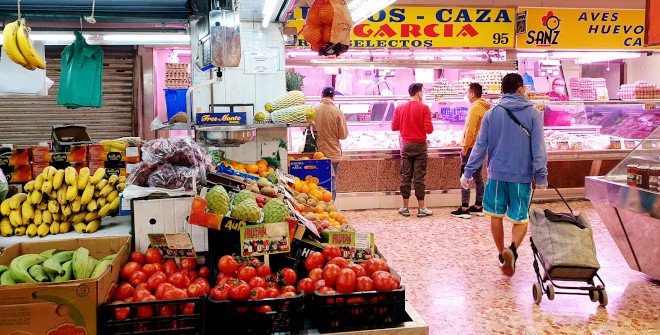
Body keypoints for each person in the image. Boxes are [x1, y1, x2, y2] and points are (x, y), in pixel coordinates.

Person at [460, 73, 548, 277]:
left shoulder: (492, 113)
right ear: (520, 89)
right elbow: (539, 148)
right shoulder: (533, 113)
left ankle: (501, 254)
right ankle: (513, 250)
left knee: (496, 215)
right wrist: (541, 176)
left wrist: (468, 172)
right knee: (520, 218)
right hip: (522, 175)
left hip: (497, 174)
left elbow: (480, 146)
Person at [391, 83, 434, 217]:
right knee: (419, 178)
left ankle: (405, 207)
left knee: (406, 176)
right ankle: (421, 208)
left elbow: (394, 127)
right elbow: (429, 130)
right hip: (420, 146)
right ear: (419, 93)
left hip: (406, 145)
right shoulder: (425, 108)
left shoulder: (400, 108)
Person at [451, 83, 491, 219]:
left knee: (464, 176)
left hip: (471, 147)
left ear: (472, 94)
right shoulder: (485, 107)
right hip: (480, 147)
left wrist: (465, 146)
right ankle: (479, 206)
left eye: (467, 92)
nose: (466, 94)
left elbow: (471, 130)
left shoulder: (474, 108)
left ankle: (464, 208)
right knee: (478, 176)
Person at [313, 86, 348, 200]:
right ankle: (331, 209)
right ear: (333, 97)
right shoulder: (337, 112)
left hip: (316, 153)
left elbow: (305, 130)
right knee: (331, 183)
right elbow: (343, 135)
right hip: (332, 153)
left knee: (315, 184)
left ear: (321, 95)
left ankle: (318, 209)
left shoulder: (313, 110)